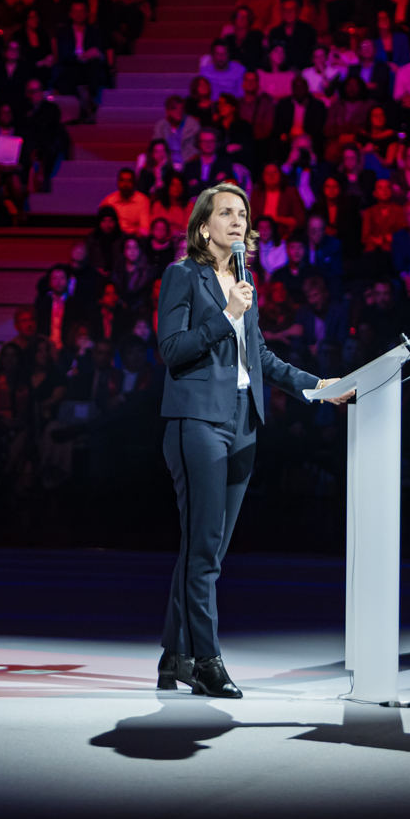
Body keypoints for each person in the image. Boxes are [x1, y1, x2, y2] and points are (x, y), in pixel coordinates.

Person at [154, 182, 349, 700]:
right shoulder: (182, 276)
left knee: (206, 550)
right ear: (204, 228)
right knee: (203, 551)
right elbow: (172, 349)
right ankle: (205, 660)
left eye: (242, 213)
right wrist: (227, 315)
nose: (238, 220)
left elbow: (259, 357)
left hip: (242, 419)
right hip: (197, 420)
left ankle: (174, 655)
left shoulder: (244, 283)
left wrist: (317, 387)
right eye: (226, 213)